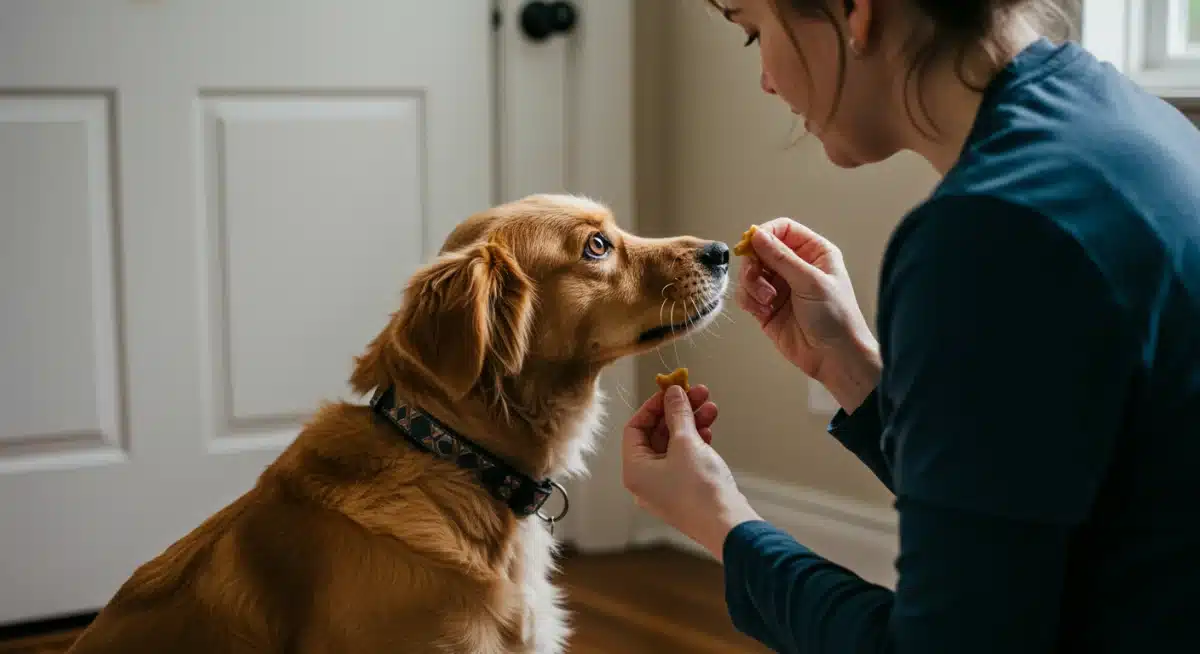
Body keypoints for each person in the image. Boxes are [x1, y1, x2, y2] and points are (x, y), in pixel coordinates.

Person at [620, 0, 1200, 652]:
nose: (767, 81)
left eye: (755, 33)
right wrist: (850, 366)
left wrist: (721, 521)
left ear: (855, 11)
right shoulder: (1130, 118)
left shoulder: (991, 232)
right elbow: (1029, 494)